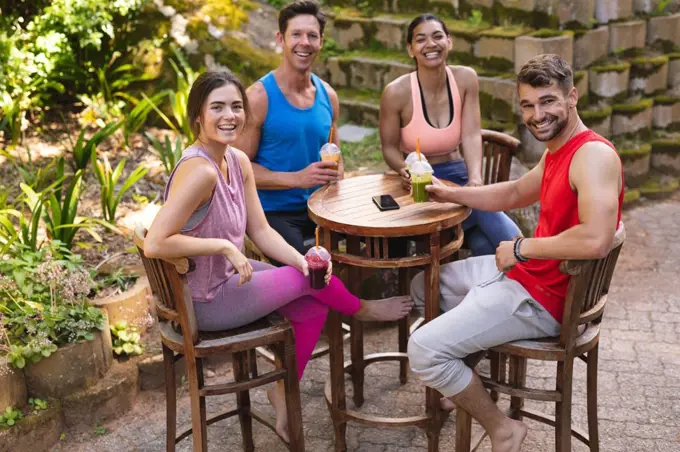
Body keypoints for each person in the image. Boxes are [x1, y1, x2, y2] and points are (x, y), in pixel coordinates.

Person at [143, 71, 412, 442]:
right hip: (204, 299)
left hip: (228, 278)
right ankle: (359, 309)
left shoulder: (235, 160)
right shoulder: (200, 171)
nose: (230, 116)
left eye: (236, 106)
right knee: (312, 282)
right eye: (217, 107)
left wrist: (300, 260)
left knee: (312, 298)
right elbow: (156, 242)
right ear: (197, 118)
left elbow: (262, 231)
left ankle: (283, 395)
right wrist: (221, 246)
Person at [407, 54, 624, 452]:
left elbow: (595, 238)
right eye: (527, 104)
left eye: (547, 101)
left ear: (572, 97)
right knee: (424, 286)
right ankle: (462, 373)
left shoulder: (593, 156)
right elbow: (511, 192)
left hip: (545, 298)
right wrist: (450, 192)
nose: (537, 114)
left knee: (422, 349)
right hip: (525, 277)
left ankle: (501, 427)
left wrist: (522, 248)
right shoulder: (559, 148)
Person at [379, 14, 521, 256]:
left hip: (458, 176)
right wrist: (405, 169)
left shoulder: (465, 79)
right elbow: (389, 147)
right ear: (410, 50)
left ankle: (517, 272)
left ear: (449, 42)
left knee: (484, 242)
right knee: (485, 219)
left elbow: (471, 134)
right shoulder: (396, 92)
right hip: (420, 186)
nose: (430, 44)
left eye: (437, 36)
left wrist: (475, 180)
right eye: (420, 39)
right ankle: (533, 265)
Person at [234, 1, 342, 260]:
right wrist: (297, 178)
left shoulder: (328, 95)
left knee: (371, 242)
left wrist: (338, 179)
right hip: (272, 213)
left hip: (321, 208)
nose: (304, 42)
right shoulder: (259, 97)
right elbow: (238, 167)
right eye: (296, 34)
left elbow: (336, 154)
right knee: (311, 266)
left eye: (312, 35)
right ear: (280, 39)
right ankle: (361, 303)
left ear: (321, 42)